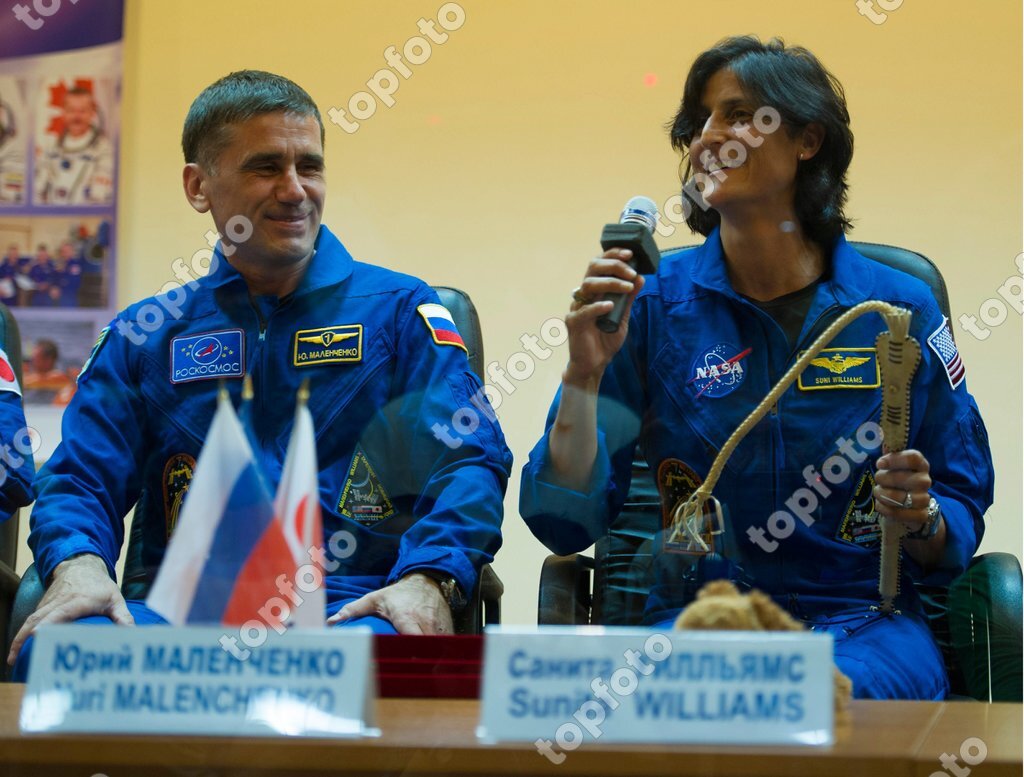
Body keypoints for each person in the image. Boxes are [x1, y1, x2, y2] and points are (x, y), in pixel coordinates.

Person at [520, 36, 993, 700]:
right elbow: (563, 523)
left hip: (862, 625)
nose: (710, 137)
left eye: (739, 115)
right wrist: (582, 375)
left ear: (807, 140)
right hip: (700, 623)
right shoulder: (650, 306)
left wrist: (924, 516)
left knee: (818, 696)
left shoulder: (896, 310)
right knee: (690, 696)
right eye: (700, 123)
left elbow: (959, 504)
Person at [10, 70, 511, 679]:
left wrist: (428, 576)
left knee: (398, 658)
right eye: (266, 167)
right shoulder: (147, 335)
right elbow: (78, 478)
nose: (296, 190)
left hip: (351, 610)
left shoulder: (402, 313)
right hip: (183, 619)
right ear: (199, 186)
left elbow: (468, 463)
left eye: (311, 166)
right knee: (61, 652)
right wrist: (79, 563)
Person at [33, 86, 114, 206]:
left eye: (82, 111)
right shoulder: (51, 146)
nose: (76, 117)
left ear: (92, 113)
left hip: (87, 219)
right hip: (51, 217)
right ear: (64, 112)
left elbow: (101, 195)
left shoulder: (104, 149)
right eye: (71, 110)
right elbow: (37, 189)